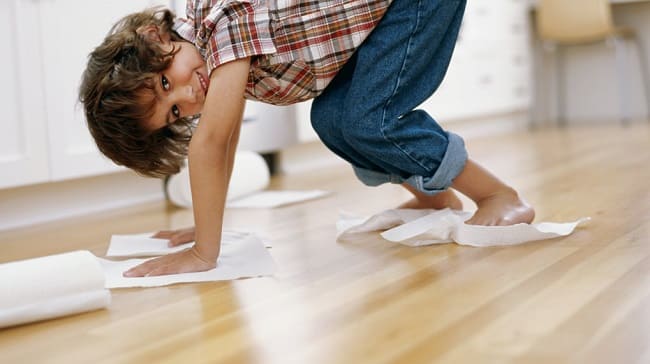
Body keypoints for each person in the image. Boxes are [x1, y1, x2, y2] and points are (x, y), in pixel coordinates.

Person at [79, 0, 534, 277]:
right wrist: (205, 224)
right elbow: (228, 134)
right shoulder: (211, 59)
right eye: (175, 111)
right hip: (384, 15)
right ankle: (435, 197)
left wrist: (204, 252)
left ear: (155, 36)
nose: (186, 94)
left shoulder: (220, 21)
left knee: (366, 120)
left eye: (164, 82)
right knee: (334, 118)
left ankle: (498, 195)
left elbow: (213, 143)